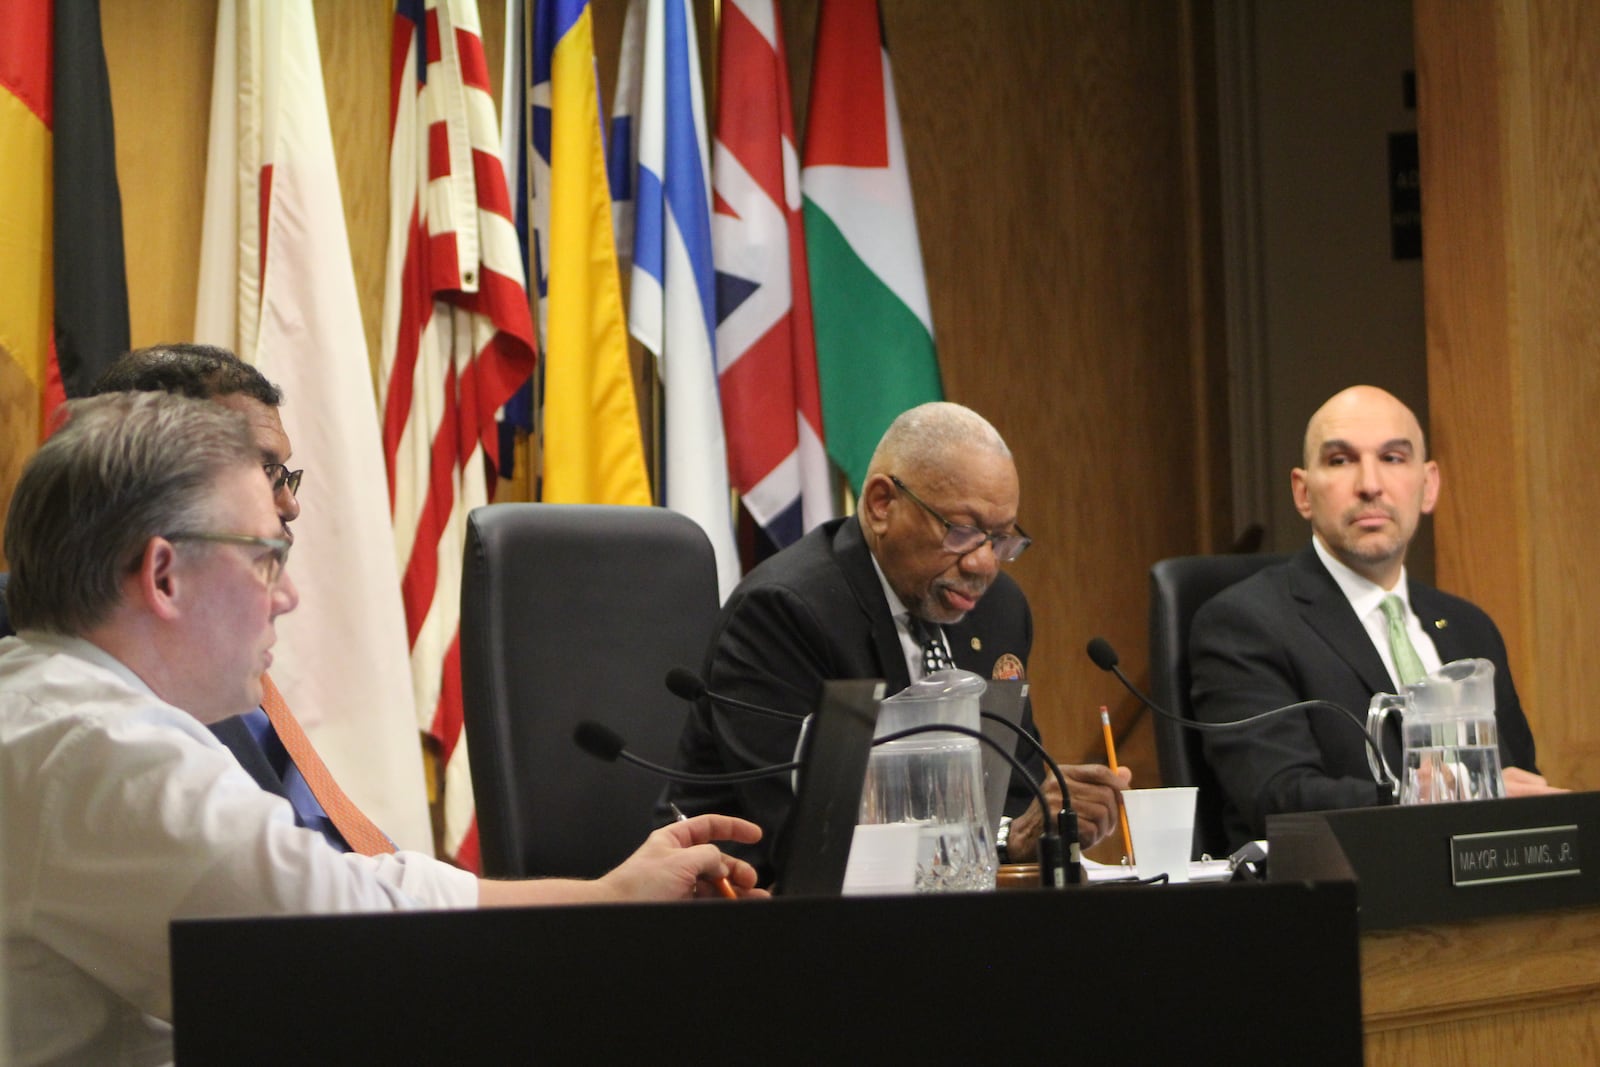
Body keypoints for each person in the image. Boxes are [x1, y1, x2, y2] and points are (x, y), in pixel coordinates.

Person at [0, 392, 764, 1064]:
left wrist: (609, 898)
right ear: (164, 575)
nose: (289, 594)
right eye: (266, 557)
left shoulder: (65, 709)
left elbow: (349, 890)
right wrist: (614, 924)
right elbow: (349, 948)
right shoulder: (95, 750)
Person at [667, 402, 1129, 883]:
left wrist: (1044, 822)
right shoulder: (786, 612)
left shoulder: (998, 610)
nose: (983, 565)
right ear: (881, 503)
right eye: (962, 532)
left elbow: (1012, 788)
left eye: (1001, 539)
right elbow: (809, 834)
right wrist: (1003, 840)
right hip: (761, 916)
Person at [1190, 385, 1560, 849]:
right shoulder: (1244, 624)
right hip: (1339, 903)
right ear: (1303, 493)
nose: (1370, 484)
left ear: (1429, 486)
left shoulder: (1469, 627)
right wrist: (1426, 800)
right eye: (1341, 460)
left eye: (1393, 458)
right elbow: (1277, 798)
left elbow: (1517, 781)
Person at [89, 343, 382, 854]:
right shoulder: (121, 700)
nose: (290, 504)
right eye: (264, 471)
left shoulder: (218, 641)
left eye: (286, 475)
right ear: (156, 480)